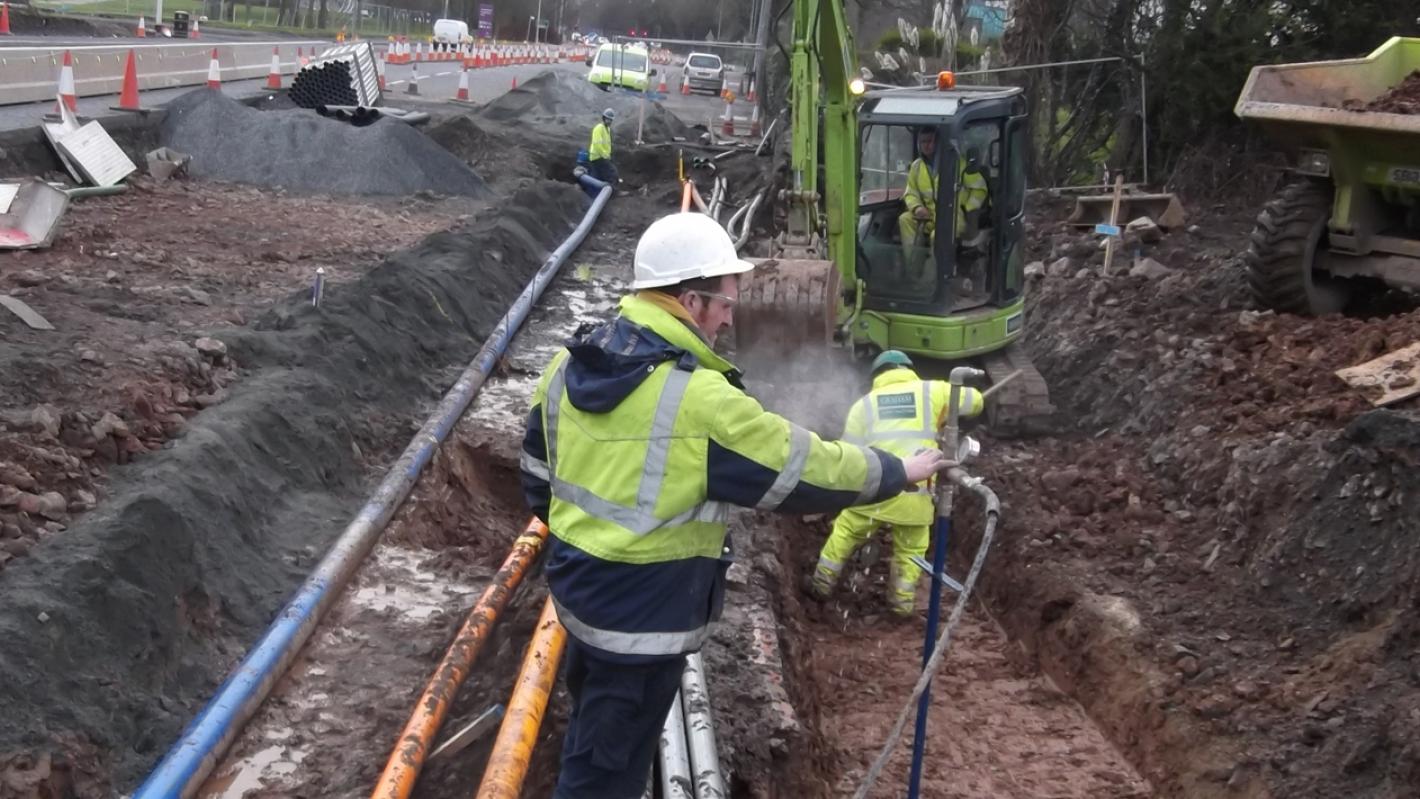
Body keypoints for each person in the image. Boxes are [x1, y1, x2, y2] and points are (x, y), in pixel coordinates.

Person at [520, 213, 952, 798]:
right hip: (644, 626)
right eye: (726, 301)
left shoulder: (569, 365)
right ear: (691, 301)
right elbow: (806, 469)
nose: (730, 316)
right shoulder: (700, 401)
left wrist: (593, 546)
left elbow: (537, 482)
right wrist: (898, 470)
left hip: (581, 601)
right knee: (603, 779)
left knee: (598, 741)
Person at [811, 349, 984, 617]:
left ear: (878, 376)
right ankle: (901, 605)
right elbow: (975, 401)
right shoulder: (932, 391)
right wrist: (945, 414)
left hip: (874, 491)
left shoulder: (864, 405)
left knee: (845, 533)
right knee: (911, 550)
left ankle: (821, 585)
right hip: (914, 495)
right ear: (908, 369)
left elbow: (847, 453)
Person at [897, 127, 989, 266]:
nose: (926, 145)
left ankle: (934, 278)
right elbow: (910, 192)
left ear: (939, 142)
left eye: (930, 141)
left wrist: (968, 210)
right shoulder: (916, 167)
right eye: (923, 142)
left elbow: (980, 189)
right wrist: (917, 208)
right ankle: (913, 268)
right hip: (929, 215)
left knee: (938, 235)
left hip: (954, 217)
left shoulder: (959, 164)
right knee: (904, 219)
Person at [587, 107, 618, 184]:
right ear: (604, 118)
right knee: (612, 172)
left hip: (602, 157)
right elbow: (597, 145)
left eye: (611, 120)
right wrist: (605, 155)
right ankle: (613, 191)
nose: (610, 121)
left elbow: (606, 144)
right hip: (597, 157)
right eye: (608, 119)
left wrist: (608, 155)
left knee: (603, 175)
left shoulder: (607, 129)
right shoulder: (599, 128)